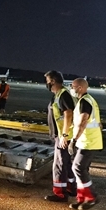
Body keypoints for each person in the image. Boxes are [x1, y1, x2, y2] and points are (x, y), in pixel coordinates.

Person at [68, 78, 103, 210]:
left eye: (73, 86)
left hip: (89, 141)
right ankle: (81, 198)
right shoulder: (87, 100)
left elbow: (83, 122)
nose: (71, 88)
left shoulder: (85, 102)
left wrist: (73, 140)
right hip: (87, 140)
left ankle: (92, 196)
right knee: (80, 170)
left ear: (80, 88)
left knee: (78, 168)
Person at [44, 70, 77, 202]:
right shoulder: (59, 94)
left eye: (47, 81)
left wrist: (64, 135)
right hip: (64, 135)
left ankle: (60, 194)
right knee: (67, 164)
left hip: (63, 136)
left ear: (53, 81)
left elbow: (69, 113)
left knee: (59, 165)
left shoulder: (63, 95)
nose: (46, 84)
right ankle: (71, 188)